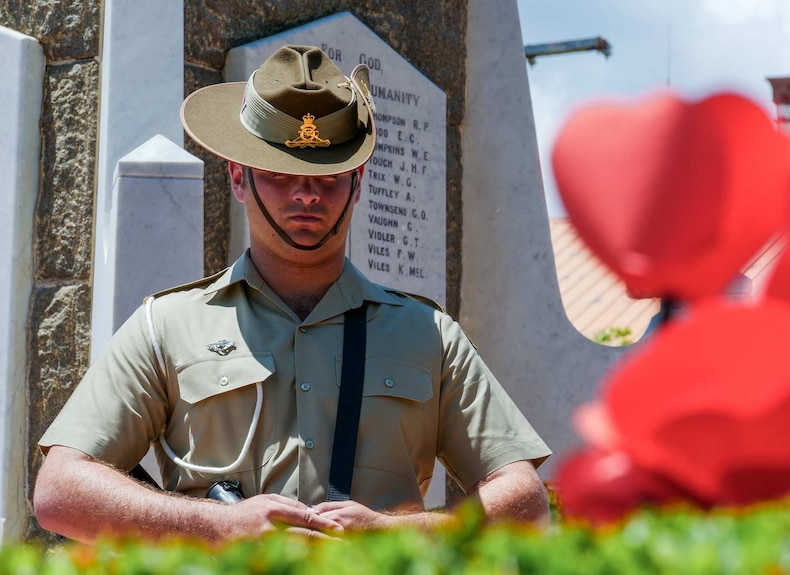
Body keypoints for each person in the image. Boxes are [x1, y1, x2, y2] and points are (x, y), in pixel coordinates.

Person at [33, 45, 551, 545]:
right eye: (282, 174)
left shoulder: (428, 335)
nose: (306, 194)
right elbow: (61, 490)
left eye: (327, 177)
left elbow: (524, 502)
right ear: (239, 177)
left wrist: (396, 535)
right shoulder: (165, 326)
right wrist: (214, 527)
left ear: (358, 182)